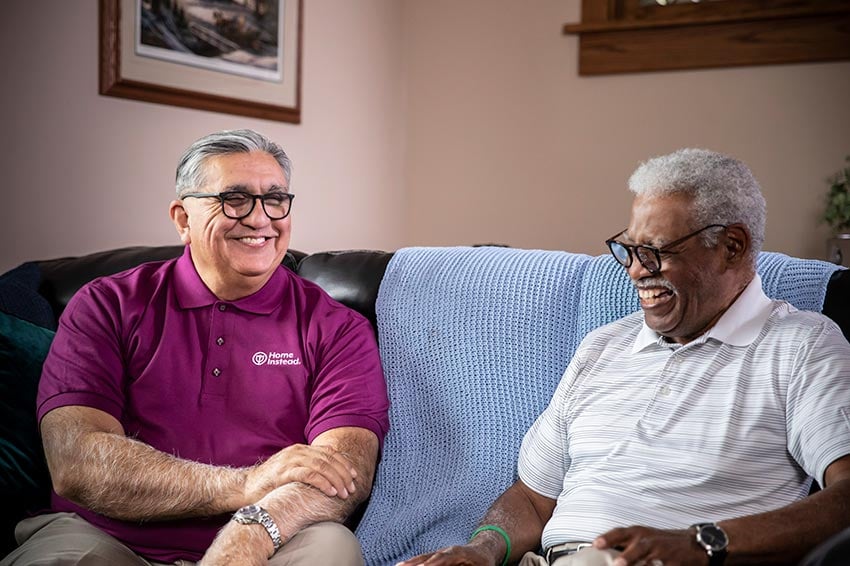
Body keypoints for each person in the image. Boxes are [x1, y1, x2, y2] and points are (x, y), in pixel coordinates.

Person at [398, 149, 850, 566]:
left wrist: (702, 542)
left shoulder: (802, 345)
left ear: (731, 246)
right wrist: (483, 549)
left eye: (655, 252)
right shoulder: (603, 346)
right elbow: (534, 498)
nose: (635, 270)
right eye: (630, 249)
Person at [1, 129, 390, 566]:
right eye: (235, 198)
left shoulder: (338, 327)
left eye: (275, 198)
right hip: (105, 535)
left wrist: (245, 539)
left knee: (331, 550)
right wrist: (244, 484)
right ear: (183, 219)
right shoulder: (106, 305)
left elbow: (344, 474)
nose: (261, 219)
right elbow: (76, 461)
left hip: (270, 537)